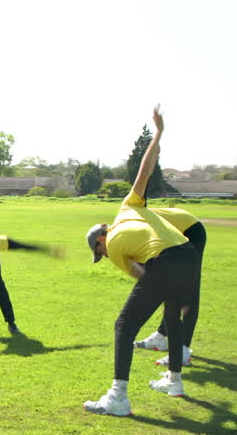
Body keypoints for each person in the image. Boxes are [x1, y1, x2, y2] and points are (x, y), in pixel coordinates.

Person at [83, 105, 199, 415]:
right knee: (172, 318)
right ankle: (174, 381)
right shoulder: (128, 208)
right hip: (187, 254)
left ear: (100, 239)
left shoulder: (118, 245)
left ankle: (118, 398)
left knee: (124, 325)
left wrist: (158, 134)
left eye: (99, 251)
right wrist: (159, 132)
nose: (102, 256)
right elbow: (144, 172)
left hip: (167, 261)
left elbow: (140, 275)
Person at [133, 206, 206, 367]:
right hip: (174, 233)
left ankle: (183, 351)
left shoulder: (132, 231)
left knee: (188, 289)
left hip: (190, 232)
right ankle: (161, 337)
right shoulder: (128, 232)